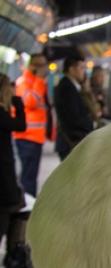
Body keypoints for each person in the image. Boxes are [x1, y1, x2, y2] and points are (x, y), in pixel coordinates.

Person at [0, 73, 26, 268]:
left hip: (4, 171)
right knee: (3, 218)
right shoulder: (1, 114)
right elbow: (21, 125)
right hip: (2, 172)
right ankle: (8, 262)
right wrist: (18, 102)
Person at [13, 53, 51, 197]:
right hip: (27, 136)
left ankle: (29, 202)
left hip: (35, 137)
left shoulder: (34, 81)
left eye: (44, 65)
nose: (43, 69)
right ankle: (27, 205)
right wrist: (39, 81)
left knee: (31, 175)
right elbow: (31, 102)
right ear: (32, 66)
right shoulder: (24, 82)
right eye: (40, 65)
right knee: (28, 177)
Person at [53, 57, 94, 161]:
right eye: (81, 68)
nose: (84, 72)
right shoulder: (67, 88)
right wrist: (91, 124)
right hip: (70, 142)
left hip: (70, 142)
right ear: (71, 69)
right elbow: (73, 117)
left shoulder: (68, 86)